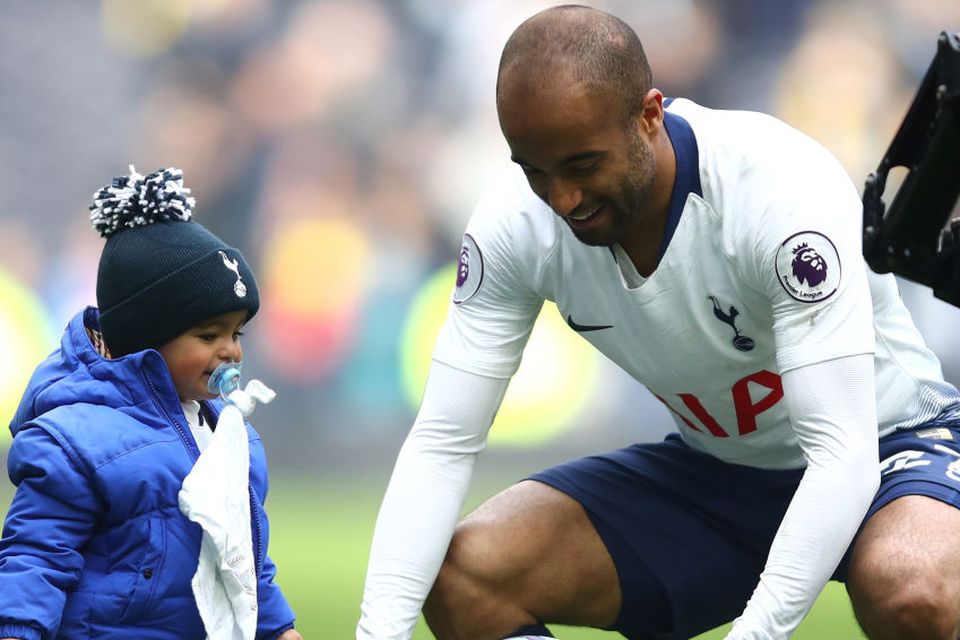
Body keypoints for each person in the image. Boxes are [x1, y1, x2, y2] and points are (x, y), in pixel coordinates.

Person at [357, 6, 960, 640]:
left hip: (890, 446)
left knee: (914, 589)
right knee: (464, 574)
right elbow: (442, 442)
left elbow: (842, 454)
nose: (562, 199)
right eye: (535, 170)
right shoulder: (513, 225)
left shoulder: (778, 192)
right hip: (719, 471)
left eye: (583, 165)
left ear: (650, 115)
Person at [0, 167, 302, 640]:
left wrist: (279, 628)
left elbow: (243, 559)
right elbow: (37, 558)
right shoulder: (76, 442)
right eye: (208, 334)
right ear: (145, 338)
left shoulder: (231, 438)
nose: (231, 351)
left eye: (236, 333)